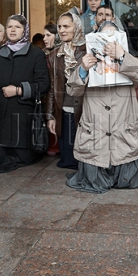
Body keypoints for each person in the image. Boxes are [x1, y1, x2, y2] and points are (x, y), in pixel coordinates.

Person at [65, 21, 138, 193]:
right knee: (96, 171)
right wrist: (83, 69)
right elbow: (72, 90)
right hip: (95, 126)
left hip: (125, 125)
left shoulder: (129, 58)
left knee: (127, 177)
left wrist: (122, 56)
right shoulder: (86, 60)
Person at [0, 14, 50, 174]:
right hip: (0, 114)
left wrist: (18, 90)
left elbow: (44, 85)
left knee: (23, 157)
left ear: (25, 30)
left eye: (18, 26)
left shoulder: (36, 54)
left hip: (23, 116)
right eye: (10, 26)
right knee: (0, 155)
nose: (13, 30)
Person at [46, 11, 86, 169]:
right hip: (63, 112)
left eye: (66, 26)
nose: (62, 30)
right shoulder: (54, 55)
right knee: (68, 159)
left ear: (76, 27)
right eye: (60, 26)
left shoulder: (89, 50)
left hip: (85, 111)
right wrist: (50, 115)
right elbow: (51, 87)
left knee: (86, 158)